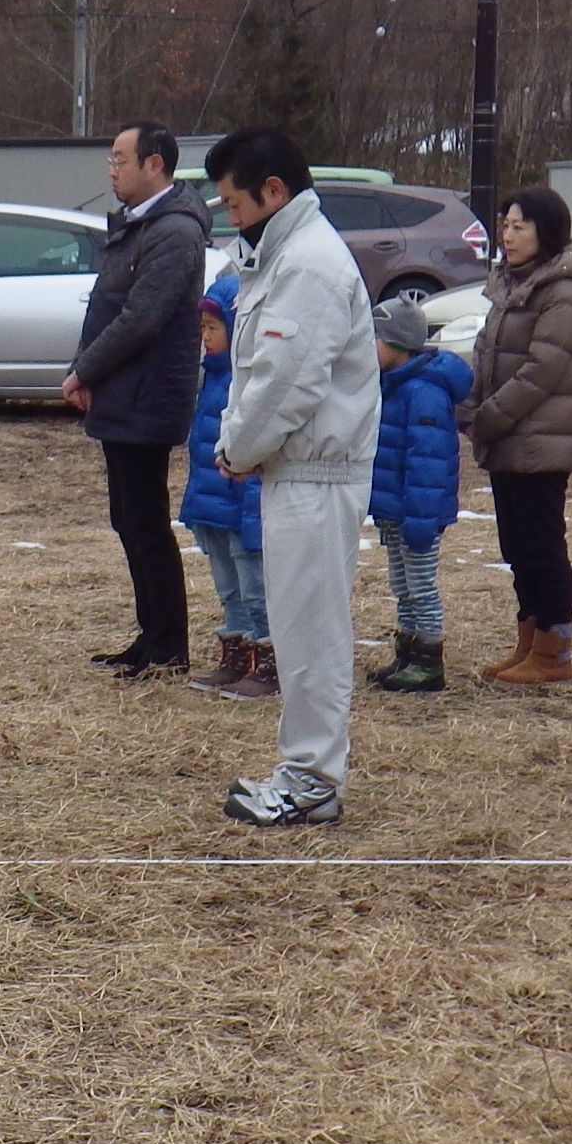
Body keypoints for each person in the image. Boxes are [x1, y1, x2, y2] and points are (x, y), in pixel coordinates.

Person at [207, 126, 380, 828]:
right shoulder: (281, 260)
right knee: (300, 625)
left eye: (235, 203)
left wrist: (237, 448)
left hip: (316, 472)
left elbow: (283, 382)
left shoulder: (307, 265)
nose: (231, 217)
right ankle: (308, 771)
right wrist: (242, 444)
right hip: (299, 470)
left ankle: (311, 780)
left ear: (274, 191)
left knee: (312, 635)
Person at [63, 122, 214, 678]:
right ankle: (151, 638)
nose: (112, 168)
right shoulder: (139, 224)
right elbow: (111, 307)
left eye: (121, 159)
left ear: (155, 165)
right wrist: (89, 371)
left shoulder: (173, 231)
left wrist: (85, 369)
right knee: (128, 518)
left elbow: (141, 319)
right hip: (124, 394)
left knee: (145, 522)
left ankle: (169, 646)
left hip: (148, 397)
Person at [460, 184, 572, 687]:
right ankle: (529, 641)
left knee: (543, 545)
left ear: (548, 231)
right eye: (506, 224)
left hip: (540, 441)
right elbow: (485, 352)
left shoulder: (562, 293)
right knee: (517, 545)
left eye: (520, 226)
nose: (508, 234)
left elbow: (541, 372)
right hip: (507, 441)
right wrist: (471, 402)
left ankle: (555, 651)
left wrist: (489, 416)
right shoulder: (508, 285)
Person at [367, 296, 471, 692]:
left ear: (397, 342)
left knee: (420, 585)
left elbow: (427, 464)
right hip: (397, 511)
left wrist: (421, 520)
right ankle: (407, 653)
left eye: (373, 338)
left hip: (417, 516)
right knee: (402, 583)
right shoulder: (393, 387)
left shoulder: (423, 393)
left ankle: (428, 658)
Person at [179, 276, 275, 701]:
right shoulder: (212, 376)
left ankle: (269, 658)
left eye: (212, 328)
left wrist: (251, 510)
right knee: (227, 584)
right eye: (202, 329)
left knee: (254, 585)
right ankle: (235, 652)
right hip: (212, 502)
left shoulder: (248, 380)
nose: (205, 337)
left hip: (240, 503)